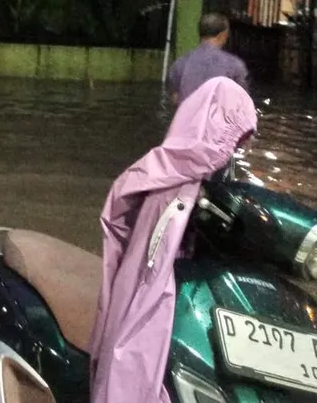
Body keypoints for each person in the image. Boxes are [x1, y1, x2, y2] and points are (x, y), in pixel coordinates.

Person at [89, 77, 257, 402]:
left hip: (130, 287)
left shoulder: (171, 171)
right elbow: (152, 294)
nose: (238, 150)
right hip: (144, 309)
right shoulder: (179, 192)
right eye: (236, 139)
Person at [166, 12, 249, 105]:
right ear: (222, 35)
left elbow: (175, 98)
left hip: (188, 117)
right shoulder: (234, 65)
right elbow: (242, 103)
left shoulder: (180, 63)